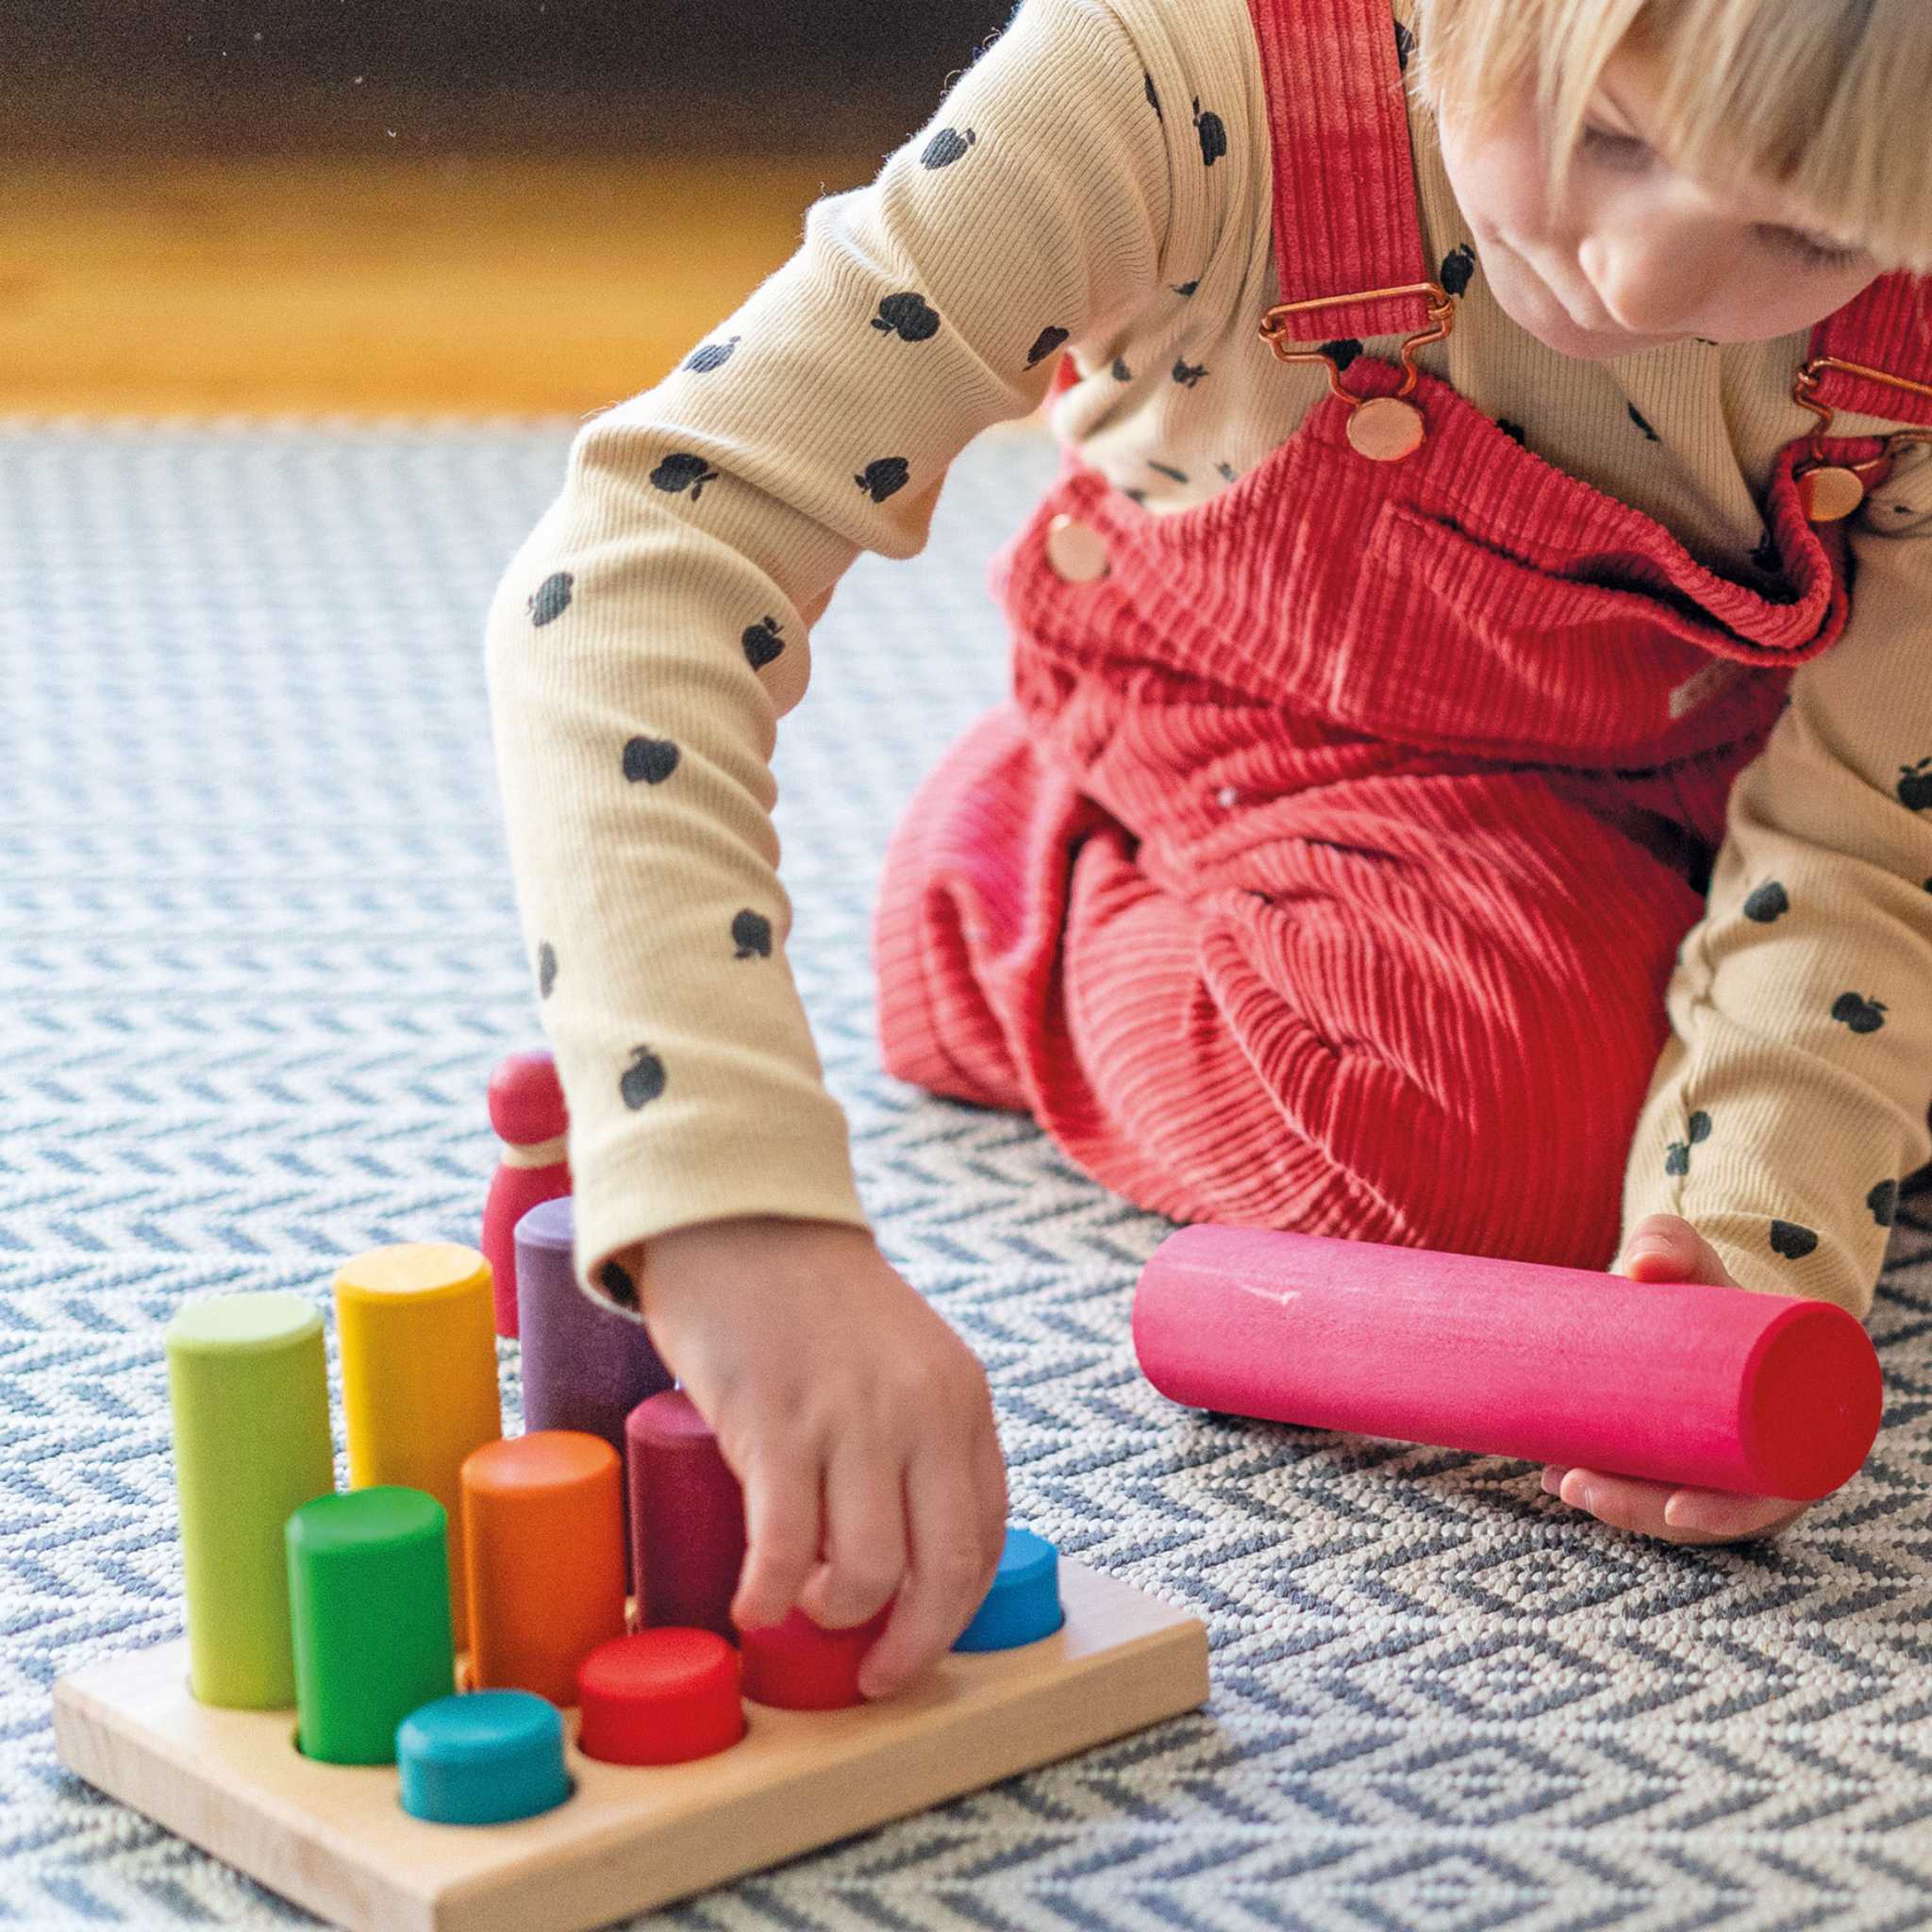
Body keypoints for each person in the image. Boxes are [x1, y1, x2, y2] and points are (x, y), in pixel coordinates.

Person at [484, 0, 1932, 1697]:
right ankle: (1013, 896)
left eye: (1811, 235)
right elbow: (647, 554)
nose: (1643, 283)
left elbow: (1868, 829)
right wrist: (733, 1205)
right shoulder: (1163, 81)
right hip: (1275, 739)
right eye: (1611, 134)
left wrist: (1747, 1257)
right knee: (1494, 1128)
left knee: (1754, 1115)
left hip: (1740, 743)